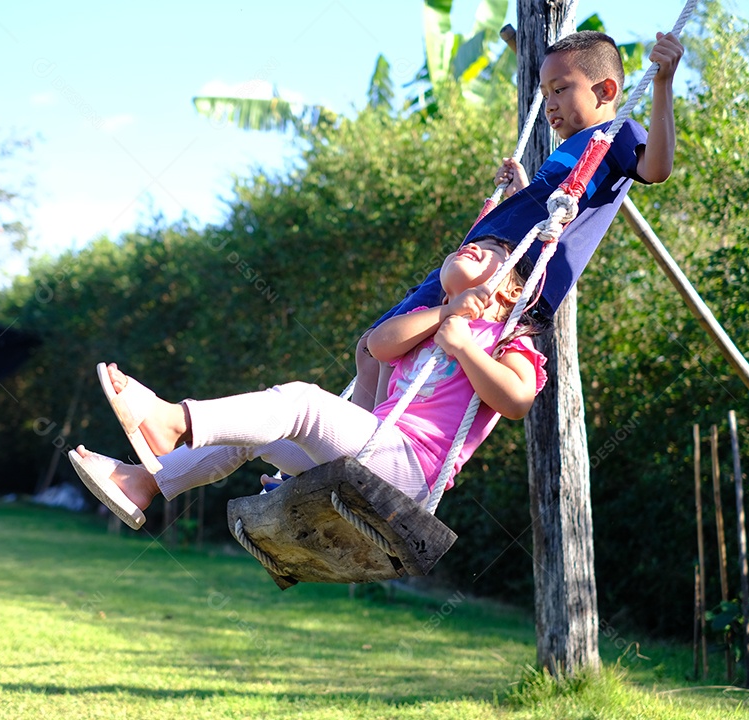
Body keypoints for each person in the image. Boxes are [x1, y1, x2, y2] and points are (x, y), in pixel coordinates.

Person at [70, 237, 548, 530]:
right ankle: (143, 482)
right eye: (468, 244)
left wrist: (465, 347)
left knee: (302, 402)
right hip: (375, 453)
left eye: (492, 252)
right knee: (254, 432)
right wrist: (445, 314)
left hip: (411, 472)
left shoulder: (506, 339)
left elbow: (518, 401)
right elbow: (378, 345)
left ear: (512, 289)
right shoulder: (429, 322)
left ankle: (174, 420)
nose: (473, 246)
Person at [351, 30, 684, 410]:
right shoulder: (570, 149)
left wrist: (663, 84)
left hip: (507, 269)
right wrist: (522, 191)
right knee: (371, 347)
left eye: (560, 90)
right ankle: (361, 438)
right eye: (545, 94)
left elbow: (656, 168)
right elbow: (550, 207)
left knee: (385, 350)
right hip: (480, 254)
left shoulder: (616, 133)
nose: (550, 105)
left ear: (605, 91)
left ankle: (374, 437)